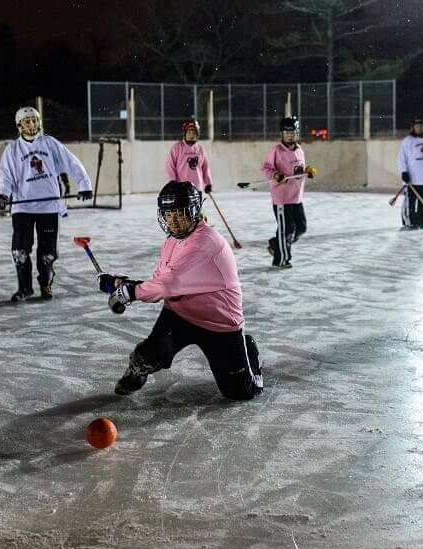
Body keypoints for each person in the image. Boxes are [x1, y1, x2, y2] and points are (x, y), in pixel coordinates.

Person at [99, 181, 263, 400]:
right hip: (180, 313)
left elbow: (168, 285)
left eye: (180, 213)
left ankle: (248, 351)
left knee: (241, 393)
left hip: (220, 323)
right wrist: (122, 283)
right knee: (147, 355)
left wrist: (129, 293)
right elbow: (162, 281)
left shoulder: (205, 242)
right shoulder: (172, 242)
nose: (173, 220)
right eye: (168, 214)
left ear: (195, 211)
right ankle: (137, 371)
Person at [0, 106, 93, 302]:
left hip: (49, 207)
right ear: (19, 125)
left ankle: (45, 284)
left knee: (47, 253)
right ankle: (25, 288)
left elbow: (71, 162)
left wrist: (84, 184)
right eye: (27, 121)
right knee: (20, 251)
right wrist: (2, 195)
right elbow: (5, 178)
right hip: (23, 207)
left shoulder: (49, 143)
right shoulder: (12, 150)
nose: (32, 124)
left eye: (35, 120)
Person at [261, 116, 316, 268]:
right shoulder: (276, 150)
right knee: (288, 229)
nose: (289, 135)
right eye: (286, 132)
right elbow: (266, 168)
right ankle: (281, 260)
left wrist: (307, 171)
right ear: (281, 133)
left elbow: (298, 170)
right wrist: (275, 175)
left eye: (292, 132)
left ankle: (276, 244)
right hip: (282, 198)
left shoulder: (299, 150)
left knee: (301, 228)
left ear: (296, 133)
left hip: (296, 197)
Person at [397, 118, 423, 229]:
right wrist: (404, 172)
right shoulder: (408, 141)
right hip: (412, 180)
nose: (421, 129)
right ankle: (410, 222)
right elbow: (402, 158)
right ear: (413, 128)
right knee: (410, 204)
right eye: (418, 127)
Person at [167, 119, 213, 196]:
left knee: (196, 208)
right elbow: (170, 166)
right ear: (185, 134)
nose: (191, 135)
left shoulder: (200, 148)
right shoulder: (177, 148)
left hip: (197, 188)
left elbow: (205, 167)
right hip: (181, 188)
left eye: (194, 133)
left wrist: (208, 183)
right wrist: (172, 181)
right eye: (189, 133)